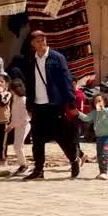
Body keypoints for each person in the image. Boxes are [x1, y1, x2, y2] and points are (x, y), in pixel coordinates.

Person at [22, 30, 82, 180]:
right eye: (38, 40)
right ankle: (39, 169)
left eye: (43, 39)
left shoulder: (57, 58)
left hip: (55, 104)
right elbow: (29, 84)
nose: (41, 42)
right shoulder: (30, 60)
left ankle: (74, 159)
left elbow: (66, 81)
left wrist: (72, 103)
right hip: (38, 105)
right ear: (32, 44)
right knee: (37, 139)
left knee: (61, 136)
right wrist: (29, 105)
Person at [77, 93, 108, 180]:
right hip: (99, 138)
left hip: (107, 137)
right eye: (95, 102)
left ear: (104, 102)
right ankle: (101, 171)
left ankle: (104, 173)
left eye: (99, 101)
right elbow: (86, 118)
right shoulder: (94, 113)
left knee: (104, 154)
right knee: (99, 155)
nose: (97, 103)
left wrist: (103, 109)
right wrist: (78, 113)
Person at [7, 78, 30, 176]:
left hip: (24, 125)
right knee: (17, 146)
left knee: (18, 146)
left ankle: (24, 165)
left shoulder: (23, 100)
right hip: (17, 125)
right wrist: (11, 125)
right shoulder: (15, 98)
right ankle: (23, 165)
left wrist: (12, 125)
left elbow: (25, 117)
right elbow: (14, 114)